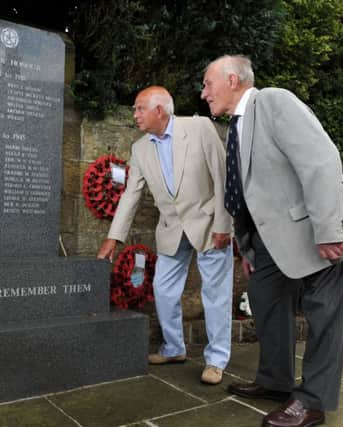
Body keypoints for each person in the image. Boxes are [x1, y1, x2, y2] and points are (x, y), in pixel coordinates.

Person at [201, 55, 343, 427]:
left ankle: (312, 401)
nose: (204, 92)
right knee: (264, 295)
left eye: (207, 83)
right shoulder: (237, 128)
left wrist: (328, 230)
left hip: (319, 230)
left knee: (324, 314)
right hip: (273, 241)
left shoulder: (273, 101)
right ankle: (275, 380)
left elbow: (321, 159)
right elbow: (244, 193)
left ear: (231, 79)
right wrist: (249, 245)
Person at [97, 86, 234, 385]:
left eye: (139, 108)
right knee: (163, 289)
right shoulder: (140, 148)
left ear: (160, 109)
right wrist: (113, 238)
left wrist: (225, 224)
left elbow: (223, 176)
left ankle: (216, 359)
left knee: (216, 294)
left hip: (211, 224)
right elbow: (130, 196)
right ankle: (174, 348)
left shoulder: (199, 128)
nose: (135, 115)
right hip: (172, 229)